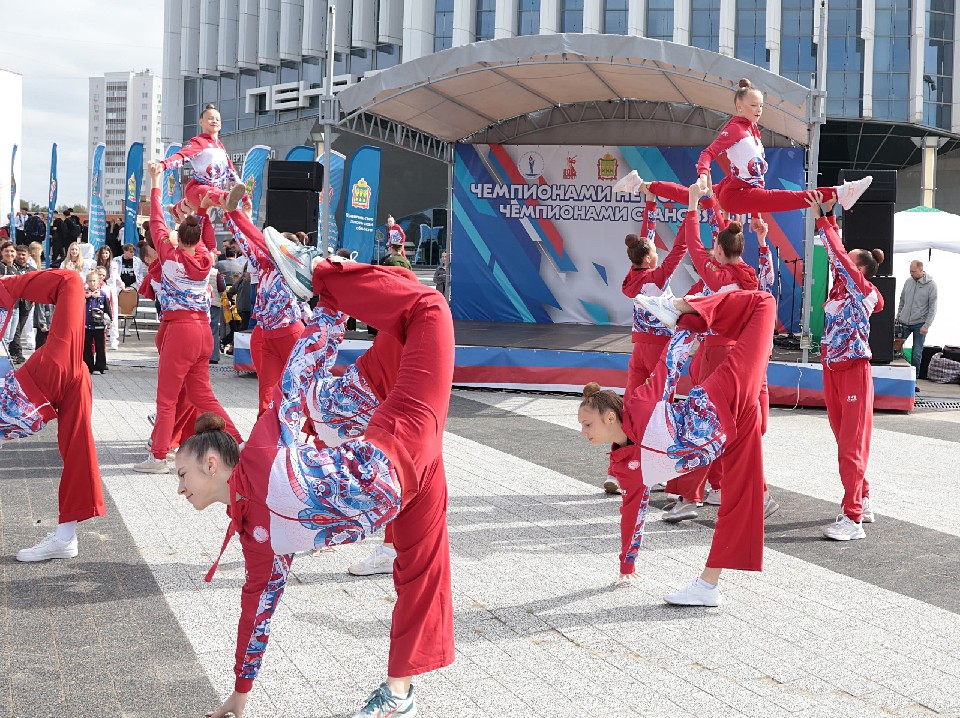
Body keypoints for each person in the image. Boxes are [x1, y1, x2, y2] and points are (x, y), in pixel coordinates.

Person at [184, 254, 454, 718]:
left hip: (394, 454)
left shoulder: (262, 453)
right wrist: (240, 693)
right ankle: (400, 693)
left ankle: (401, 691)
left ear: (212, 463)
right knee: (427, 307)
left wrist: (328, 306)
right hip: (398, 474)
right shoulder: (255, 540)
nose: (179, 487)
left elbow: (296, 382)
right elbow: (258, 611)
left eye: (182, 474)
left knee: (427, 306)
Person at [579, 284, 774, 606]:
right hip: (728, 435)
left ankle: (685, 307)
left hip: (720, 400)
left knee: (763, 301)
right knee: (743, 498)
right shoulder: (624, 465)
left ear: (610, 418)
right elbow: (633, 510)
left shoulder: (640, 404)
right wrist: (627, 564)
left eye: (587, 424)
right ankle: (708, 586)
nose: (584, 432)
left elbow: (669, 366)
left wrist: (687, 325)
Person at [615, 79, 875, 216]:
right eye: (753, 106)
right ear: (739, 107)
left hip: (737, 186)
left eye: (761, 106)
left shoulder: (751, 128)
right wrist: (704, 175)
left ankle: (641, 184)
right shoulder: (736, 129)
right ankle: (841, 193)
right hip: (737, 194)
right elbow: (708, 153)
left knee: (688, 196)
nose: (759, 111)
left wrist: (757, 214)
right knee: (790, 199)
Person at [133, 165, 242, 474]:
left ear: (178, 236)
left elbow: (155, 221)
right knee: (203, 395)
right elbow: (206, 236)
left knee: (166, 400)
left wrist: (155, 183)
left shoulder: (170, 257)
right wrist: (204, 211)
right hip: (204, 331)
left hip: (180, 330)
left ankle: (157, 458)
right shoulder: (206, 257)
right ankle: (239, 442)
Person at [0, 269, 106, 561]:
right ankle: (65, 537)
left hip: (36, 391)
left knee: (79, 449)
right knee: (70, 280)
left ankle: (65, 537)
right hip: (31, 391)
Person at [808, 192, 884, 541]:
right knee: (844, 442)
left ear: (860, 270)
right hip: (833, 370)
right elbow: (840, 252)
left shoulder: (860, 288)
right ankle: (863, 499)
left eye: (850, 263)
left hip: (854, 370)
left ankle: (852, 518)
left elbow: (838, 255)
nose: (842, 263)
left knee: (851, 446)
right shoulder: (842, 289)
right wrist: (830, 215)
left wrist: (823, 216)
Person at [213, 200, 307, 415]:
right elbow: (245, 241)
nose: (269, 246)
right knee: (266, 394)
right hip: (266, 336)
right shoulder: (262, 263)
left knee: (299, 389)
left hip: (289, 334)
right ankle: (263, 441)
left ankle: (314, 437)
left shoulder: (292, 267)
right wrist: (230, 213)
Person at [147, 104, 246, 223]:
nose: (214, 121)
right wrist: (163, 165)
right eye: (210, 118)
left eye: (217, 119)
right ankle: (225, 198)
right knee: (208, 193)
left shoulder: (220, 146)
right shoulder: (199, 142)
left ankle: (174, 209)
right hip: (198, 188)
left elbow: (231, 172)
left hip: (212, 194)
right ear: (201, 122)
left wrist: (245, 197)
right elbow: (182, 156)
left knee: (192, 204)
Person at [897, 260, 938, 382]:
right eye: (910, 271)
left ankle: (913, 380)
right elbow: (902, 300)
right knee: (894, 349)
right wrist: (898, 316)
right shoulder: (908, 281)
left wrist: (927, 325)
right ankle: (898, 377)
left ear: (921, 270)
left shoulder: (931, 285)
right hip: (903, 322)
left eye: (913, 271)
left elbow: (933, 308)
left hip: (920, 324)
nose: (911, 274)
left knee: (917, 353)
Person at [83, 270, 111, 374]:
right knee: (87, 347)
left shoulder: (102, 295)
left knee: (100, 346)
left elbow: (108, 309)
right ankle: (88, 366)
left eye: (94, 281)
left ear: (99, 282)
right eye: (90, 281)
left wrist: (109, 321)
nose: (92, 283)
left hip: (99, 325)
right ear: (86, 282)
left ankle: (100, 366)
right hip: (86, 325)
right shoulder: (83, 294)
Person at [95, 246, 122, 350]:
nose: (104, 255)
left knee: (112, 315)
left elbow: (116, 277)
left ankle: (114, 339)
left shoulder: (113, 264)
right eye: (103, 253)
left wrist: (122, 286)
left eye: (106, 253)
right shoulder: (95, 264)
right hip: (97, 290)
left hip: (109, 291)